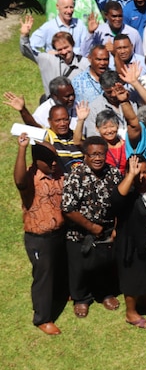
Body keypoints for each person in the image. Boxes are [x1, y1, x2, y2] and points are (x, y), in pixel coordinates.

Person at [61, 136, 123, 319]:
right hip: (79, 233)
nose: (98, 158)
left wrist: (116, 227)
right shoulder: (76, 175)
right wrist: (90, 226)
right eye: (93, 154)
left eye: (101, 154)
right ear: (85, 156)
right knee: (79, 268)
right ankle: (81, 298)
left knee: (104, 265)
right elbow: (67, 208)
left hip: (106, 231)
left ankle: (104, 293)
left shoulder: (113, 173)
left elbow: (120, 202)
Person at [14, 135, 66, 335]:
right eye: (49, 160)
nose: (54, 163)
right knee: (43, 276)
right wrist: (21, 149)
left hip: (59, 232)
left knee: (59, 268)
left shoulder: (57, 172)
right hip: (39, 237)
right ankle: (42, 318)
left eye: (55, 158)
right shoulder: (30, 177)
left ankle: (61, 295)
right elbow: (18, 181)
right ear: (37, 161)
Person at [112, 154, 146, 329]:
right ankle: (131, 313)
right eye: (138, 173)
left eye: (145, 172)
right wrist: (131, 176)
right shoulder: (126, 190)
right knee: (132, 279)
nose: (143, 176)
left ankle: (144, 300)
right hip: (132, 244)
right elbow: (116, 201)